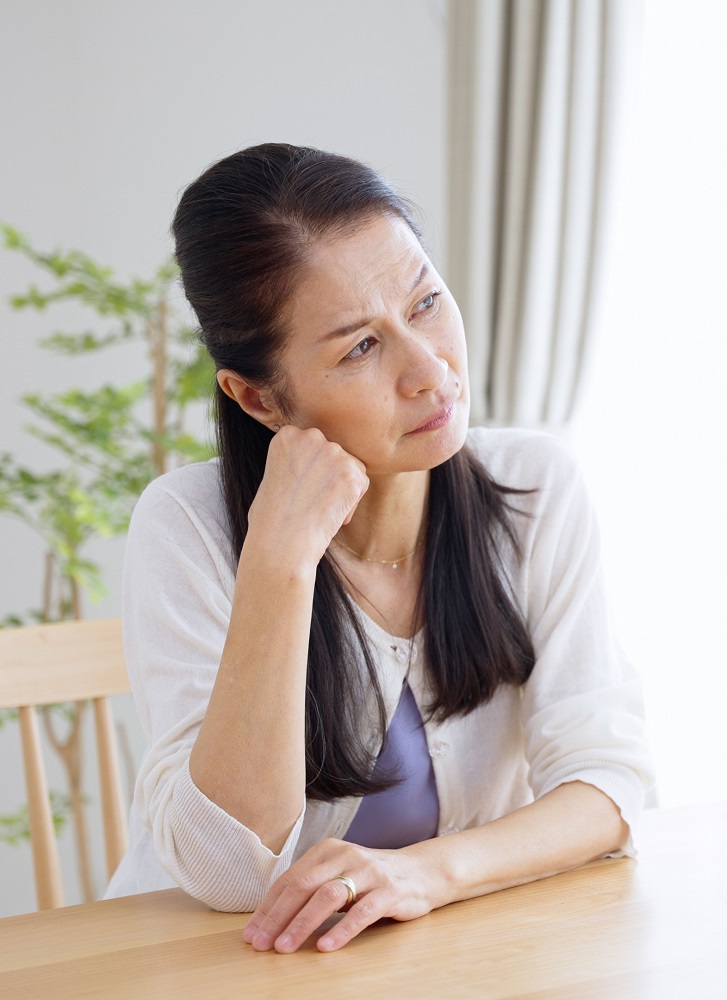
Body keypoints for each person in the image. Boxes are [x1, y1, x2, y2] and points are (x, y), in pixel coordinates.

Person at [104, 143, 655, 954]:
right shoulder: (185, 525)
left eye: (427, 301)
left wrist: (426, 874)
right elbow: (228, 878)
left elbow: (609, 785)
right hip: (217, 967)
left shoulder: (536, 487)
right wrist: (280, 562)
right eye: (361, 347)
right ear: (258, 397)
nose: (431, 371)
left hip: (444, 957)